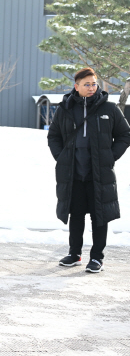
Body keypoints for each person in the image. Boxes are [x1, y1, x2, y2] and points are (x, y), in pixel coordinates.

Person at [48, 67, 130, 273]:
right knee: (75, 215)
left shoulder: (110, 109)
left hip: (99, 173)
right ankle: (75, 253)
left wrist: (110, 156)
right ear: (76, 87)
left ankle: (97, 258)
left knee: (99, 216)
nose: (92, 87)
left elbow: (125, 135)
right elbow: (54, 136)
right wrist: (61, 157)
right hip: (73, 173)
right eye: (87, 84)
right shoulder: (65, 109)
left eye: (94, 84)